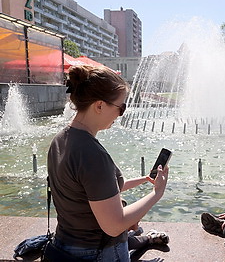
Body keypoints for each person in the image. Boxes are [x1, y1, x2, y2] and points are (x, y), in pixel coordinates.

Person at [47, 65, 169, 261]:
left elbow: (93, 191)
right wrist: (157, 193)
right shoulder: (91, 153)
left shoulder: (60, 140)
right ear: (99, 105)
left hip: (66, 245)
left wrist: (144, 180)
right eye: (121, 107)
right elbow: (114, 225)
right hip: (97, 252)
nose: (121, 114)